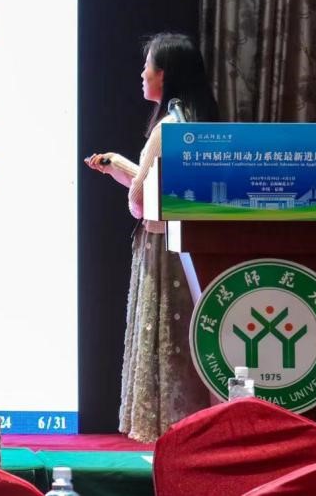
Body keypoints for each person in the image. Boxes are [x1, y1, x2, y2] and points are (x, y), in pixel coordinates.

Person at [84, 32, 219, 443]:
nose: (142, 74)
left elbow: (142, 200)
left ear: (166, 73)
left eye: (148, 66)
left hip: (162, 248)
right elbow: (160, 188)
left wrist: (131, 192)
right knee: (188, 340)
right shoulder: (195, 123)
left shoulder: (166, 129)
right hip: (193, 247)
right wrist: (118, 165)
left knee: (168, 343)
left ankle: (166, 432)